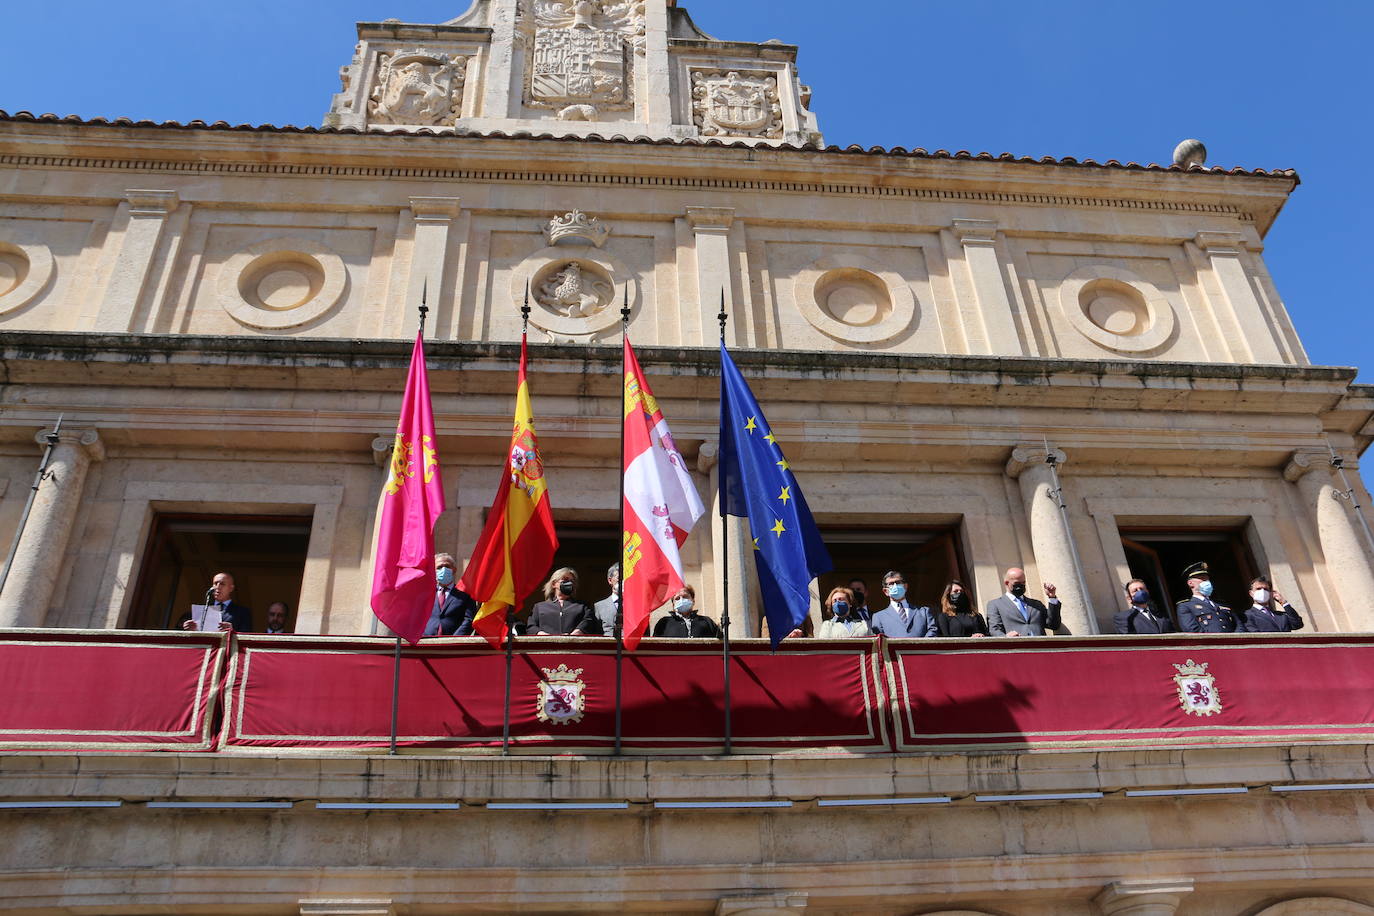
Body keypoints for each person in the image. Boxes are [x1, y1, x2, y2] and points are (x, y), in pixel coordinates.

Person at [986, 567, 1060, 637]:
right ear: (1006, 583)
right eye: (1017, 583)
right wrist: (1006, 637)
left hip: (1040, 648)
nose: (1021, 586)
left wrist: (1052, 598)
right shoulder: (995, 604)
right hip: (1016, 648)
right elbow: (994, 630)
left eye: (1023, 583)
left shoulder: (1036, 604)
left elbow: (1053, 625)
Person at [526, 567, 597, 636]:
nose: (569, 583)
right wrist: (543, 635)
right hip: (547, 645)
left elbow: (588, 621)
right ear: (554, 584)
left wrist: (577, 632)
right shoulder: (540, 607)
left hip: (573, 645)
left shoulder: (582, 606)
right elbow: (531, 626)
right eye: (565, 580)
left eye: (572, 581)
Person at [869, 570, 938, 637]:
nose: (895, 586)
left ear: (905, 586)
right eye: (891, 584)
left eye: (898, 582)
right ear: (885, 591)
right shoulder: (878, 617)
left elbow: (932, 631)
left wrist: (920, 647)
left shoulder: (924, 612)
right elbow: (879, 641)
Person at [1175, 562, 1237, 633]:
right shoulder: (1185, 606)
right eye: (1202, 579)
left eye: (1207, 579)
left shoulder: (1221, 603)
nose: (1207, 582)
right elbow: (1192, 630)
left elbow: (1238, 624)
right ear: (1190, 583)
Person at [426, 552, 477, 637]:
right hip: (426, 642)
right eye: (439, 567)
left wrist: (455, 639)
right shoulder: (426, 594)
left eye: (447, 566)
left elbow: (468, 619)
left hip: (453, 644)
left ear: (454, 570)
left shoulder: (465, 594)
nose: (444, 569)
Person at [181, 571, 252, 632]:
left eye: (222, 584)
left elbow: (247, 636)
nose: (217, 587)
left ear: (231, 588)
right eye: (215, 583)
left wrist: (232, 631)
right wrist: (188, 628)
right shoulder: (202, 610)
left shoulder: (242, 612)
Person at [651, 585, 722, 638]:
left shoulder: (706, 621)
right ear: (673, 604)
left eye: (685, 597)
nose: (681, 600)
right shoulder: (664, 623)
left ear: (693, 601)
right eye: (677, 598)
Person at [1239, 575, 1304, 633]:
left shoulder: (1281, 615)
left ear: (1270, 593)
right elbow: (1255, 635)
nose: (1262, 591)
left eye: (1266, 589)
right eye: (1258, 589)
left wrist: (1284, 603)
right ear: (1251, 593)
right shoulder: (1246, 615)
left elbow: (1297, 624)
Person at [593, 563, 620, 637]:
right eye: (619, 578)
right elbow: (596, 633)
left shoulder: (636, 605)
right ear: (610, 580)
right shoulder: (599, 606)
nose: (623, 581)